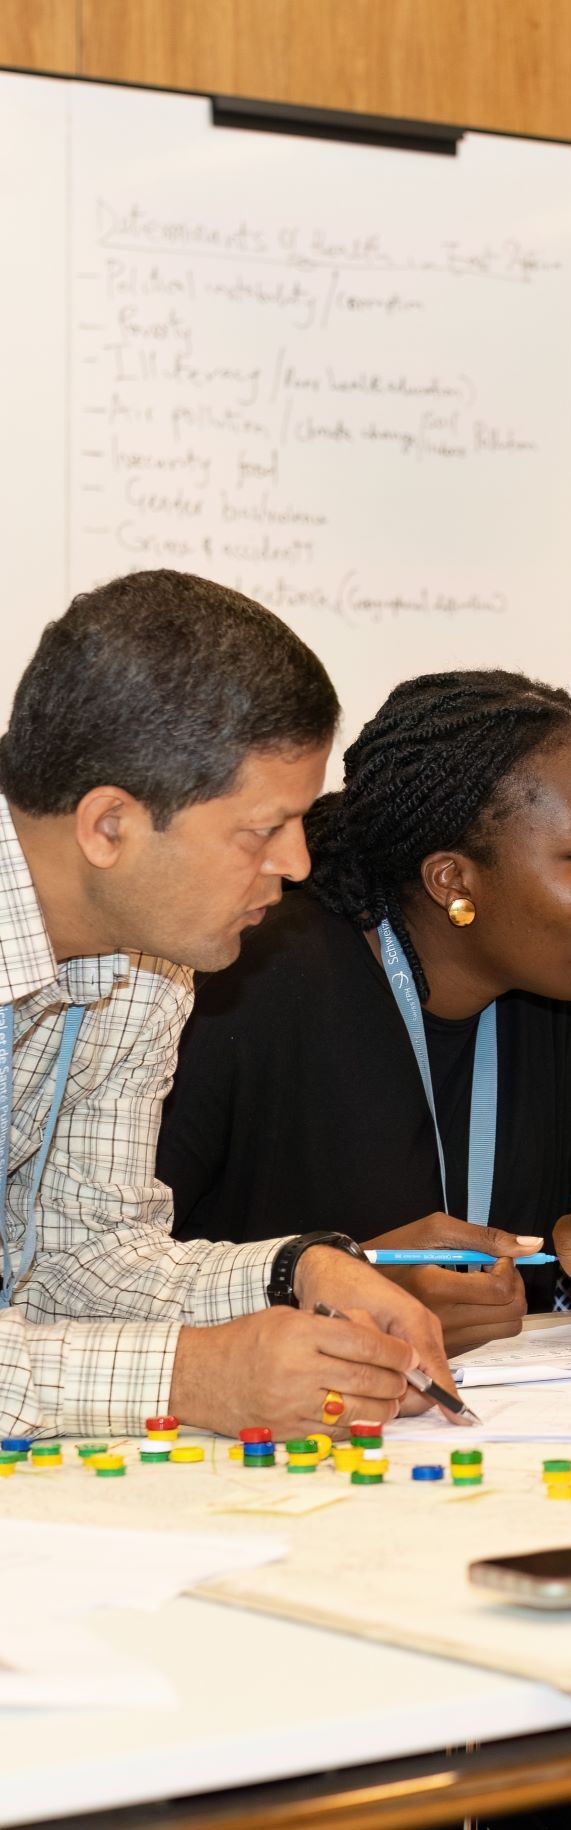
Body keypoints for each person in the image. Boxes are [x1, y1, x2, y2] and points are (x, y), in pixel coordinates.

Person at [0, 568, 459, 1438]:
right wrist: (189, 1377)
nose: (296, 864)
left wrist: (300, 1272)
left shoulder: (146, 959)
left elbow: (79, 1256)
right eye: (262, 830)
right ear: (109, 827)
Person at [157, 669, 571, 1354]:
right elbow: (109, 1273)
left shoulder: (565, 998)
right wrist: (345, 1289)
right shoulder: (259, 976)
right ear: (453, 881)